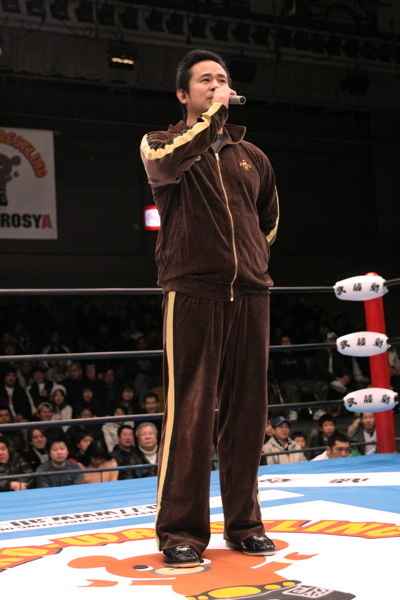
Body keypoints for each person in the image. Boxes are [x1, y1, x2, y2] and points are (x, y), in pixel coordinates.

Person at [140, 48, 279, 566]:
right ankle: (181, 531)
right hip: (193, 290)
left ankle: (245, 524)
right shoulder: (160, 143)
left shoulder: (253, 156)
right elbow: (168, 162)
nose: (217, 85)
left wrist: (251, 262)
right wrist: (211, 119)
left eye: (222, 78)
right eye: (205, 80)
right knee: (191, 413)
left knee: (248, 414)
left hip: (250, 293)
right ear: (183, 93)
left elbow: (268, 221)